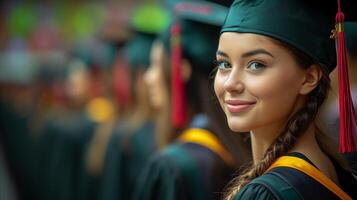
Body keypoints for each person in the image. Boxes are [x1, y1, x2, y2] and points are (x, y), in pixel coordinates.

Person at [213, 0, 357, 199]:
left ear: (309, 78)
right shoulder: (338, 176)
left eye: (256, 65)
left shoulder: (269, 193)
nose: (230, 83)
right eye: (224, 64)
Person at [134, 1, 250, 200]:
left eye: (155, 66)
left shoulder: (173, 166)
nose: (149, 78)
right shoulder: (243, 149)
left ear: (182, 70)